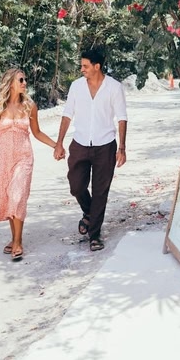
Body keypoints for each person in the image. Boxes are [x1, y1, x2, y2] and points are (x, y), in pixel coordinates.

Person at [0, 68, 59, 261]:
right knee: (9, 199)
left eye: (25, 80)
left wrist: (56, 145)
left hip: (24, 157)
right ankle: (14, 238)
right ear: (11, 83)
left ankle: (17, 242)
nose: (24, 83)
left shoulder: (30, 106)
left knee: (17, 196)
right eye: (21, 80)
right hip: (3, 159)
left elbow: (37, 132)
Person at [53, 48, 127, 252]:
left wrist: (122, 147)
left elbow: (122, 118)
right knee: (76, 186)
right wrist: (59, 142)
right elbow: (67, 114)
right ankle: (89, 212)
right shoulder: (76, 86)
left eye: (85, 66)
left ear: (97, 66)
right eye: (82, 66)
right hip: (80, 143)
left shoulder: (114, 87)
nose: (82, 69)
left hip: (105, 145)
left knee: (100, 191)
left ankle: (94, 235)